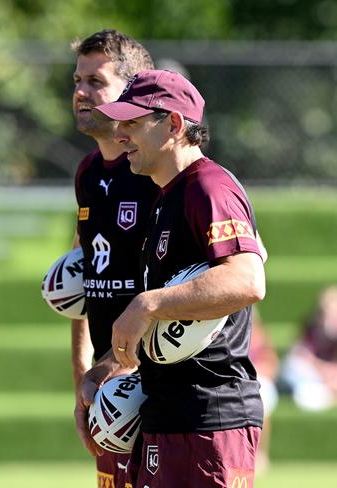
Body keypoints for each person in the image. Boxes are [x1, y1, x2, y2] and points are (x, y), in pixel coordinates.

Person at [95, 69, 267, 487]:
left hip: (209, 418)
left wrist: (147, 303)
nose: (120, 135)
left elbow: (247, 281)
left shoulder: (208, 187)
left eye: (132, 124)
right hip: (168, 414)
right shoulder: (167, 195)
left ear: (173, 124)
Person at [70, 30, 159, 488]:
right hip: (111, 391)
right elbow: (85, 284)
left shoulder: (157, 170)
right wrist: (83, 385)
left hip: (162, 387)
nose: (81, 92)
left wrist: (113, 367)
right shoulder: (87, 173)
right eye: (77, 80)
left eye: (96, 81)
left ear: (131, 91)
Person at [279, 285, 337, 411]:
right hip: (311, 374)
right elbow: (301, 357)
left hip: (327, 376)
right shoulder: (311, 330)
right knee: (296, 369)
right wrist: (323, 369)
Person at [249, 307, 279, 472]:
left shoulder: (260, 337)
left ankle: (260, 453)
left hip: (257, 381)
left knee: (262, 397)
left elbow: (272, 364)